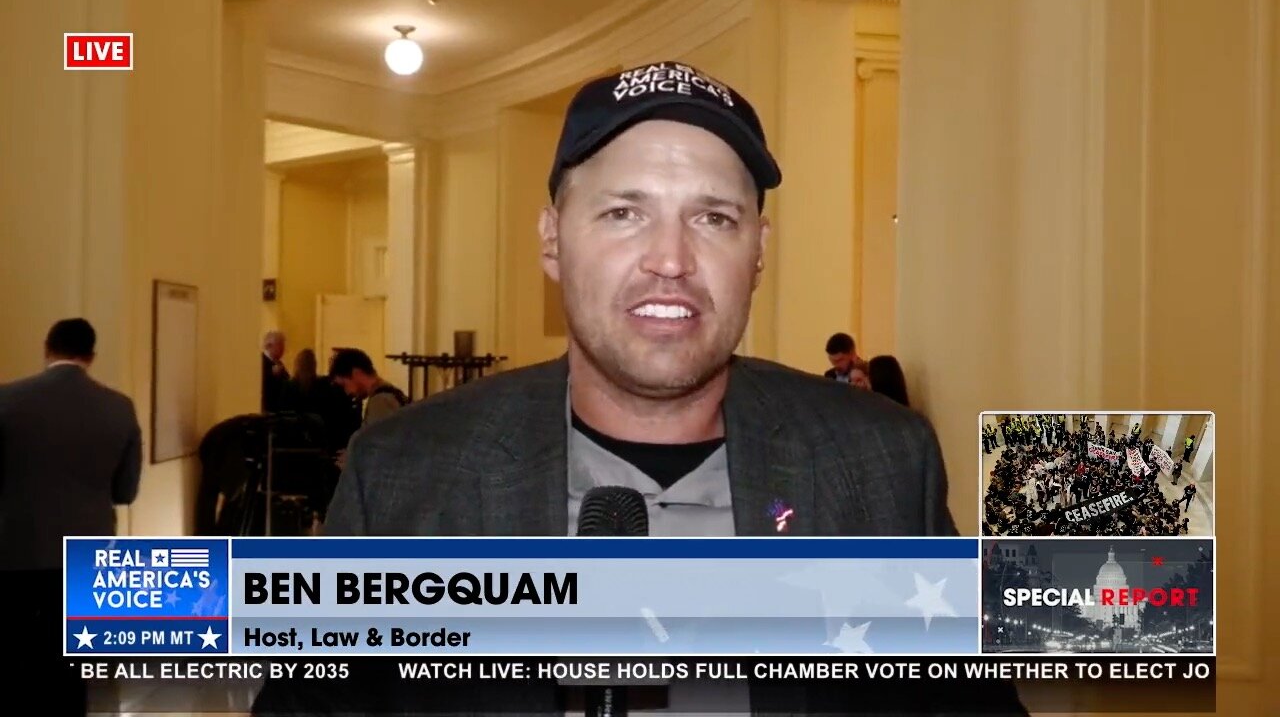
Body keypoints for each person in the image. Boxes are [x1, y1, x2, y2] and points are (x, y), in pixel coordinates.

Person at [255, 60, 1024, 715]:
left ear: (759, 252)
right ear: (553, 241)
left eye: (715, 219)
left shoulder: (882, 463)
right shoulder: (404, 474)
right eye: (624, 212)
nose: (670, 258)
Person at [0, 318, 142, 716]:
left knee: (17, 656)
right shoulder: (119, 407)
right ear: (91, 356)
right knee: (72, 666)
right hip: (88, 552)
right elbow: (125, 491)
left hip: (16, 549)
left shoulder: (7, 400)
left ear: (47, 348)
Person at [328, 348, 408, 426]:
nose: (347, 392)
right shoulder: (392, 394)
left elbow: (379, 438)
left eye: (344, 385)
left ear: (356, 373)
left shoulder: (380, 401)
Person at [260, 330, 289, 412]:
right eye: (280, 344)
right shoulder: (260, 362)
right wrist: (271, 375)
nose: (283, 348)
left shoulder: (279, 363)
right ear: (269, 346)